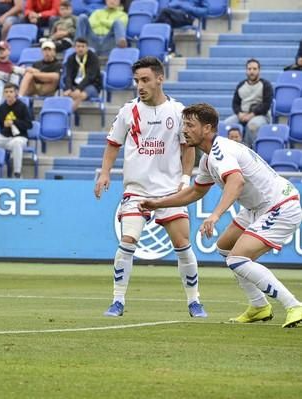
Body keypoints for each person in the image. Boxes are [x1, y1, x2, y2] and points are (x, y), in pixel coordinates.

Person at [139, 102, 302, 328]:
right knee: (225, 247)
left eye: (190, 125)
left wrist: (214, 216)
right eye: (184, 124)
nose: (184, 130)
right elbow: (196, 191)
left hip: (280, 205)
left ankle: (294, 305)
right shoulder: (207, 159)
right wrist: (157, 203)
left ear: (207, 128)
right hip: (259, 207)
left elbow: (236, 182)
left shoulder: (220, 151)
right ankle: (259, 306)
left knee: (237, 258)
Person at [94, 56, 206, 318]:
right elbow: (113, 144)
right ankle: (117, 301)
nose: (140, 86)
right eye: (136, 81)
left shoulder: (178, 112)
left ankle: (194, 301)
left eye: (145, 80)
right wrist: (105, 173)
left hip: (169, 192)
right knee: (128, 241)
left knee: (182, 245)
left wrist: (185, 180)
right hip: (136, 190)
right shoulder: (128, 111)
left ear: (160, 78)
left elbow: (187, 149)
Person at [221, 59, 272, 149]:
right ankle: (226, 151)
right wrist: (239, 113)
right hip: (242, 114)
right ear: (246, 70)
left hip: (261, 115)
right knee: (227, 124)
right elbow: (235, 103)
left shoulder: (266, 85)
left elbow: (266, 105)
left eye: (254, 69)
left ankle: (249, 151)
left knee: (252, 125)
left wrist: (252, 114)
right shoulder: (241, 85)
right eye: (249, 69)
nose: (252, 71)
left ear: (259, 70)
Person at [63, 38, 101, 111]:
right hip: (74, 86)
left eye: (83, 46)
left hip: (92, 85)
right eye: (78, 46)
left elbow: (90, 77)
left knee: (80, 96)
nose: (80, 49)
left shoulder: (93, 58)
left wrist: (79, 89)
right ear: (74, 48)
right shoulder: (71, 58)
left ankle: (69, 113)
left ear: (87, 48)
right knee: (65, 95)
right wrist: (68, 88)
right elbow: (68, 75)